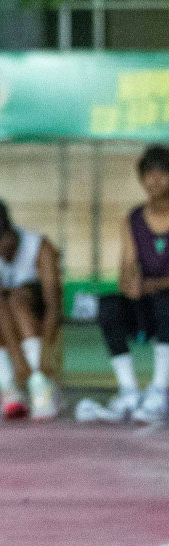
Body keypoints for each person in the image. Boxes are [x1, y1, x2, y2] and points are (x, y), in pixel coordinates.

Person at [0, 197, 62, 420]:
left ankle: (41, 383)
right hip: (1, 316)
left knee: (18, 299)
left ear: (10, 230)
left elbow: (53, 307)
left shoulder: (39, 247)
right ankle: (8, 387)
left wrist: (40, 365)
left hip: (32, 314)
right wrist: (19, 362)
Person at [94, 145, 169, 425]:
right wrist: (130, 283)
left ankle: (160, 389)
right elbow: (126, 267)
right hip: (148, 302)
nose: (155, 180)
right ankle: (129, 389)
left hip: (165, 303)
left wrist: (154, 285)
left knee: (165, 301)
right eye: (148, 174)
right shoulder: (133, 219)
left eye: (163, 173)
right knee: (109, 306)